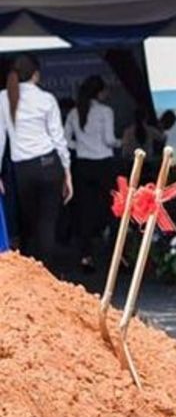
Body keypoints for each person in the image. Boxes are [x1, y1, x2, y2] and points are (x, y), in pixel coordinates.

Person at [0, 54, 73, 267]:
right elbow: (58, 138)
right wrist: (67, 171)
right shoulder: (46, 99)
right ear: (36, 75)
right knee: (47, 223)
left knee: (29, 223)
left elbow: (0, 138)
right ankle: (47, 272)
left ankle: (33, 273)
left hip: (23, 169)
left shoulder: (3, 98)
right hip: (49, 163)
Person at [64, 74, 120, 271]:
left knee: (85, 211)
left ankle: (85, 257)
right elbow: (109, 140)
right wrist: (121, 143)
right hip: (103, 164)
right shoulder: (106, 111)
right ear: (100, 92)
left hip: (82, 165)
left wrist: (79, 146)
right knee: (113, 209)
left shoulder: (74, 112)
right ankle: (117, 257)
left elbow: (65, 140)